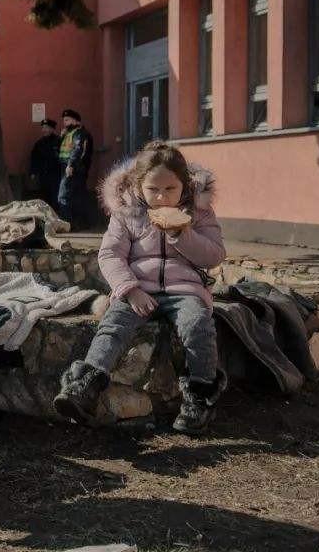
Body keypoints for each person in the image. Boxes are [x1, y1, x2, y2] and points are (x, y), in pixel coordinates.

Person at [54, 141, 226, 435]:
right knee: (114, 324)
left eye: (170, 189)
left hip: (185, 290)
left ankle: (199, 398)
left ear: (184, 186)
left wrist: (182, 235)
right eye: (153, 189)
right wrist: (130, 289)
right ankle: (85, 386)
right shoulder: (126, 214)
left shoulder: (200, 213)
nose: (161, 197)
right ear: (138, 186)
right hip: (138, 288)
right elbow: (110, 255)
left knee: (197, 324)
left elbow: (214, 255)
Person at [57, 108, 94, 230]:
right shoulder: (68, 133)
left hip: (73, 169)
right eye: (64, 120)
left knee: (63, 196)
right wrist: (61, 137)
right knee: (76, 197)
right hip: (68, 167)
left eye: (67, 120)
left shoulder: (79, 133)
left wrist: (71, 165)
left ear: (75, 121)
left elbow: (78, 150)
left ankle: (67, 224)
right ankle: (79, 224)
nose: (65, 123)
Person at [29, 118, 63, 209]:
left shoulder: (59, 141)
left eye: (46, 128)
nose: (44, 130)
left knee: (56, 198)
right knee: (44, 198)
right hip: (43, 175)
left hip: (56, 175)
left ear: (52, 129)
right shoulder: (39, 143)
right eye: (43, 128)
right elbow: (34, 158)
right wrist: (33, 172)